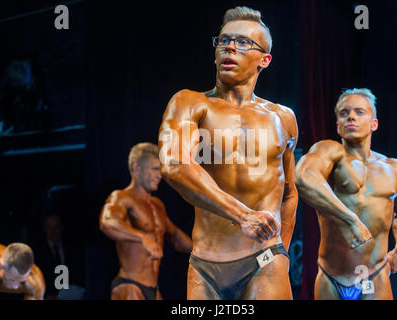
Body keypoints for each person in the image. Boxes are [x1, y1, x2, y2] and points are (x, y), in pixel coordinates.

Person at [158, 6, 298, 300]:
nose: (230, 47)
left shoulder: (283, 118)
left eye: (243, 42)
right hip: (206, 264)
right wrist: (244, 215)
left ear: (265, 60)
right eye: (223, 41)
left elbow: (289, 192)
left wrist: (280, 251)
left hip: (264, 259)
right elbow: (174, 164)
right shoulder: (190, 102)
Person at [295, 88, 397, 300]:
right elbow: (304, 176)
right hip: (331, 276)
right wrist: (351, 220)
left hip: (374, 275)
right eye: (344, 113)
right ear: (338, 127)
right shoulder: (329, 153)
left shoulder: (396, 169)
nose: (351, 116)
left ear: (374, 123)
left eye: (359, 112)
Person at [99, 142, 192, 300]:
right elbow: (106, 223)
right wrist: (142, 237)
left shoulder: (157, 205)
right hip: (130, 286)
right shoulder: (122, 197)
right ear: (136, 168)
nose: (159, 175)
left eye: (160, 170)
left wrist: (206, 251)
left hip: (154, 290)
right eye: (155, 169)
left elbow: (176, 237)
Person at [34, 213, 86, 299]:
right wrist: (46, 295)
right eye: (49, 227)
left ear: (61, 228)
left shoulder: (72, 249)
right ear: (44, 229)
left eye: (56, 227)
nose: (53, 231)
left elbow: (77, 274)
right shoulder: (38, 252)